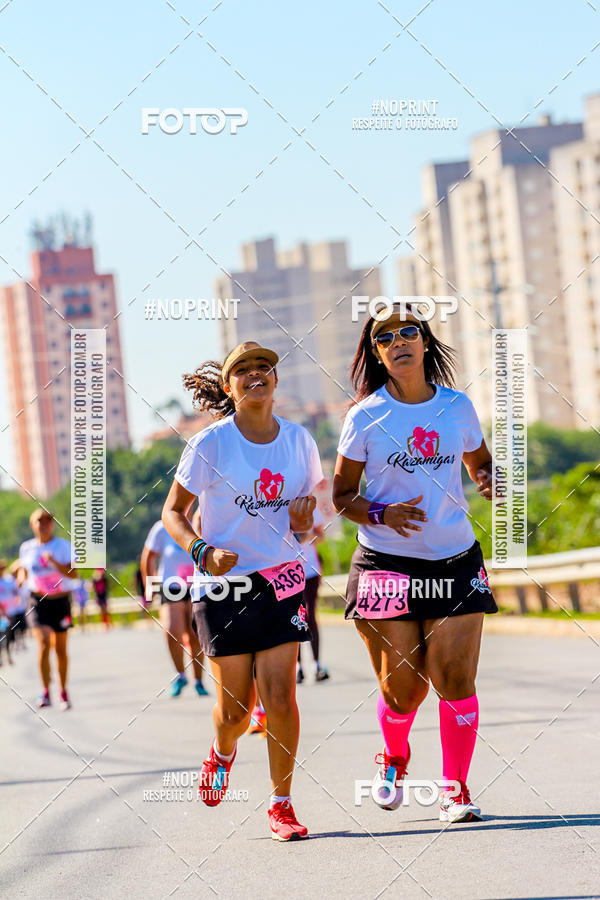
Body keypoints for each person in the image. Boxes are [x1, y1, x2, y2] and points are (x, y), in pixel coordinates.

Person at [332, 303, 497, 824]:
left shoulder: (457, 407)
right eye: (386, 337)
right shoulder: (365, 417)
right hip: (386, 563)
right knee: (404, 688)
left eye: (409, 332)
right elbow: (341, 495)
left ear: (424, 342)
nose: (399, 340)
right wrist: (381, 511)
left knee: (454, 678)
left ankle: (455, 787)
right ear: (377, 354)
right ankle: (394, 756)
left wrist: (489, 479)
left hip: (455, 558)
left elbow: (479, 461)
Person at [162, 341, 323, 841]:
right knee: (235, 710)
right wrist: (201, 552)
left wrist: (304, 523)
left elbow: (312, 517)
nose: (256, 374)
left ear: (275, 380)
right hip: (222, 587)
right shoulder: (210, 444)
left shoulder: (299, 441)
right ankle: (222, 751)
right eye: (244, 370)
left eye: (265, 368)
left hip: (281, 578)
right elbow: (172, 513)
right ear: (230, 388)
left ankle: (282, 803)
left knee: (280, 695)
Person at [141, 512, 208, 697]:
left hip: (196, 586)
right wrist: (149, 586)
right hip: (171, 587)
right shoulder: (161, 528)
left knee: (195, 636)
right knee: (172, 631)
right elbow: (148, 556)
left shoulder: (199, 523)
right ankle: (180, 675)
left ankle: (198, 680)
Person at [18, 509, 77, 709]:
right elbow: (24, 573)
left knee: (60, 649)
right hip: (37, 603)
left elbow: (74, 574)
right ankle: (45, 692)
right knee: (43, 644)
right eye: (39, 521)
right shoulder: (27, 548)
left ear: (52, 524)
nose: (44, 525)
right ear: (32, 525)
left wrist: (54, 562)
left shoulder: (62, 546)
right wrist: (20, 579)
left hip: (60, 602)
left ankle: (63, 692)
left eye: (48, 521)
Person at [295, 508, 330, 683]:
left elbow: (321, 537)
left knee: (310, 616)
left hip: (311, 571)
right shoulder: (279, 505)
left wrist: (307, 536)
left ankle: (316, 665)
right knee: (295, 618)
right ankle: (298, 668)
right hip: (289, 572)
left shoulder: (312, 509)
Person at [0, 559, 18, 661]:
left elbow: (16, 591)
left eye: (2, 568)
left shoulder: (9, 580)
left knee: (8, 635)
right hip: (1, 614)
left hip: (9, 612)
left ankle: (8, 655)